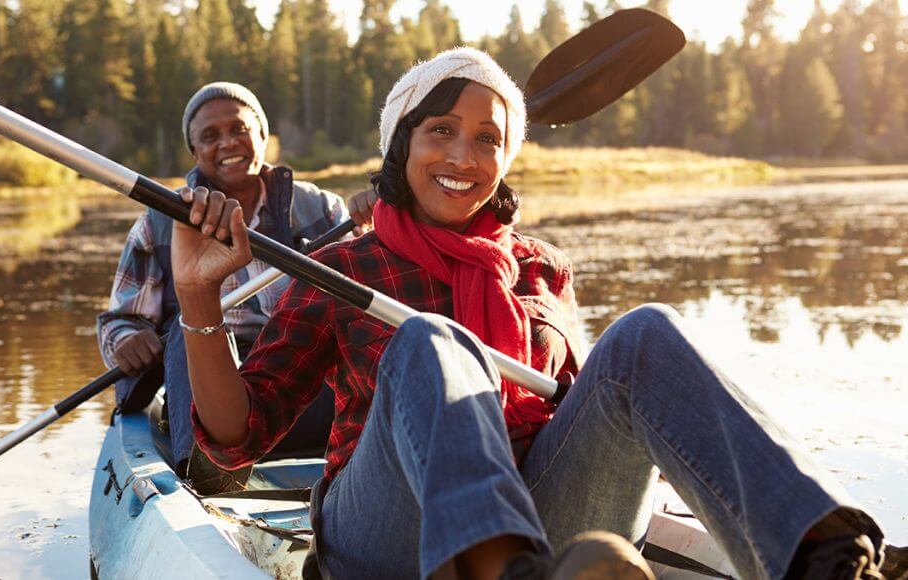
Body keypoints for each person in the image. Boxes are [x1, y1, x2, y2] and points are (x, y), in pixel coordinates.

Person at [170, 49, 888, 580]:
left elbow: (580, 409)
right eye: (441, 131)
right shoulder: (342, 270)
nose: (465, 155)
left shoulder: (539, 265)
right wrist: (198, 299)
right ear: (402, 146)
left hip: (542, 517)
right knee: (432, 338)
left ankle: (830, 555)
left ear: (505, 160)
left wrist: (669, 450)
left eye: (488, 139)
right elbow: (237, 441)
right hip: (385, 537)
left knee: (644, 332)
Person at [97, 81, 374, 474]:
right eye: (210, 136)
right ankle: (208, 477)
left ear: (263, 136)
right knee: (183, 328)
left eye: (239, 129)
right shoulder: (158, 224)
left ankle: (369, 460)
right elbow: (120, 321)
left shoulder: (323, 209)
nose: (227, 143)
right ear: (194, 153)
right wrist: (126, 340)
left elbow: (368, 300)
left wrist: (377, 230)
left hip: (304, 387)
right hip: (212, 401)